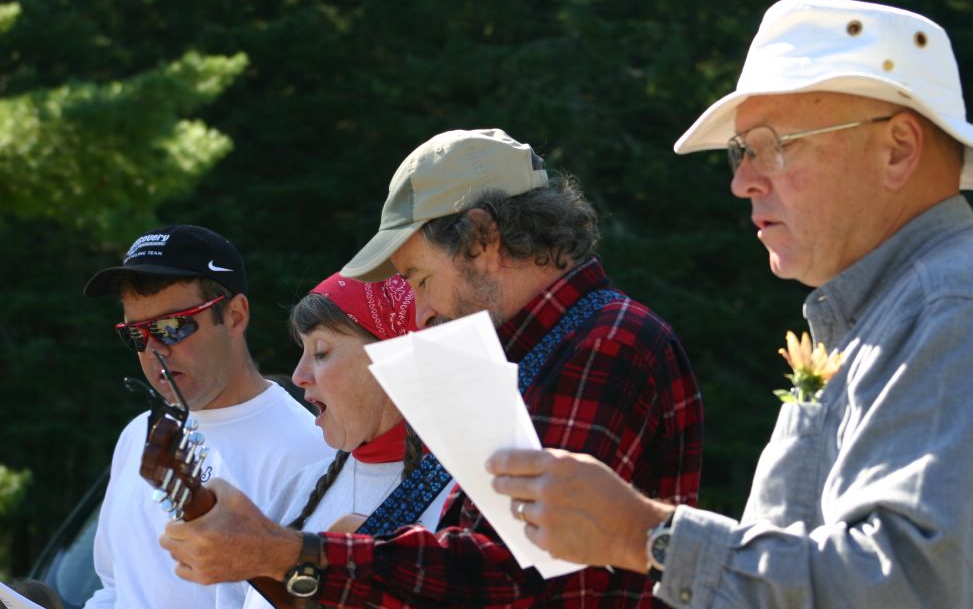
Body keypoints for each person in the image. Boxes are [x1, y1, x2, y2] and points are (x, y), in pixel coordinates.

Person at [488, 0, 973, 608]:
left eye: (773, 144)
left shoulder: (958, 306)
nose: (742, 180)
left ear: (899, 149)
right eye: (741, 151)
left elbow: (905, 585)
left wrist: (645, 536)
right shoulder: (899, 310)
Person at [158, 128, 704, 607]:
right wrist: (359, 549)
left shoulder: (607, 343)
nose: (419, 313)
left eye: (419, 279)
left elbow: (515, 578)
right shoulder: (537, 352)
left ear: (482, 238)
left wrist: (286, 553)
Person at [82, 225, 333, 609]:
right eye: (136, 334)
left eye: (170, 328)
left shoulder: (307, 450)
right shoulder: (137, 434)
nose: (153, 351)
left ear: (234, 316)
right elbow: (114, 589)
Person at [214, 271, 456, 609]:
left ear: (393, 361)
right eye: (303, 351)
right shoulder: (299, 490)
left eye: (321, 352)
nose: (299, 375)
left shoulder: (463, 498)